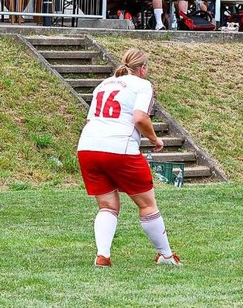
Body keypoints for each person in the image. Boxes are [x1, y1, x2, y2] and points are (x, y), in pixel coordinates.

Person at [77, 48, 182, 267]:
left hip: (88, 146)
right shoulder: (142, 84)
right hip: (119, 146)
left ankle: (103, 255)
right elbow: (139, 118)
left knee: (107, 206)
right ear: (143, 68)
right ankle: (166, 255)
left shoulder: (103, 84)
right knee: (147, 204)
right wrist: (155, 139)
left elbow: (90, 120)